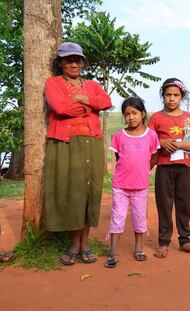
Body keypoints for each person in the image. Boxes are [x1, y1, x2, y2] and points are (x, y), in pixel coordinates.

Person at [44, 42, 112, 265]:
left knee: (90, 192)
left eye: (78, 60)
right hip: (66, 143)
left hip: (92, 142)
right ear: (61, 63)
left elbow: (107, 102)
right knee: (73, 192)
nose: (74, 64)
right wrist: (91, 107)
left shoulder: (91, 85)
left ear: (82, 62)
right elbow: (60, 108)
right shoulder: (53, 83)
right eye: (69, 60)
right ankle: (75, 244)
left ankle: (85, 243)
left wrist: (85, 100)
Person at [148, 78, 190, 259]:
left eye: (176, 95)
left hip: (184, 168)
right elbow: (148, 142)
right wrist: (161, 142)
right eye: (168, 95)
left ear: (182, 97)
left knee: (183, 204)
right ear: (163, 96)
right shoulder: (156, 118)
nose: (172, 98)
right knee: (164, 205)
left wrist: (179, 145)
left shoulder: (189, 118)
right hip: (164, 167)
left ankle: (185, 240)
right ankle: (163, 243)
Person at [105, 97, 159, 268]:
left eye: (134, 113)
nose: (131, 117)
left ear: (142, 114)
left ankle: (139, 249)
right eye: (126, 114)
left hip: (140, 187)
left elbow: (154, 156)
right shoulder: (120, 136)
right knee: (118, 217)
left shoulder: (151, 135)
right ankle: (113, 252)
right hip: (120, 186)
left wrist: (144, 170)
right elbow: (119, 158)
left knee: (139, 217)